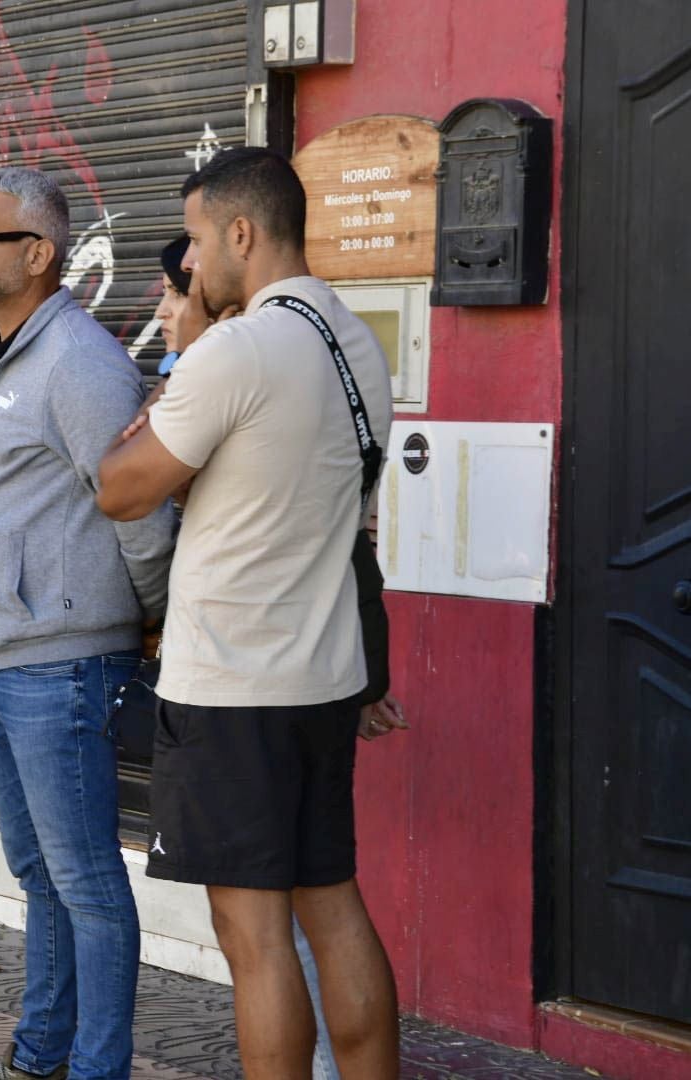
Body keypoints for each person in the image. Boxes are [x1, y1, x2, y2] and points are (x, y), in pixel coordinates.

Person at [98, 147, 400, 1079]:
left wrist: (180, 358)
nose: (187, 265)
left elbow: (121, 488)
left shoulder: (234, 350)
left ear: (242, 232)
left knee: (253, 935)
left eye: (193, 241)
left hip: (231, 686)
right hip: (322, 680)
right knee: (333, 903)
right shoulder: (355, 341)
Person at [0, 167, 175, 1080]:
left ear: (36, 254)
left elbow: (141, 506)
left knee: (87, 886)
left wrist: (151, 618)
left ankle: (94, 1067)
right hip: (3, 667)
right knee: (43, 878)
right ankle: (42, 1057)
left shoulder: (78, 360)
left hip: (61, 666)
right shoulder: (13, 352)